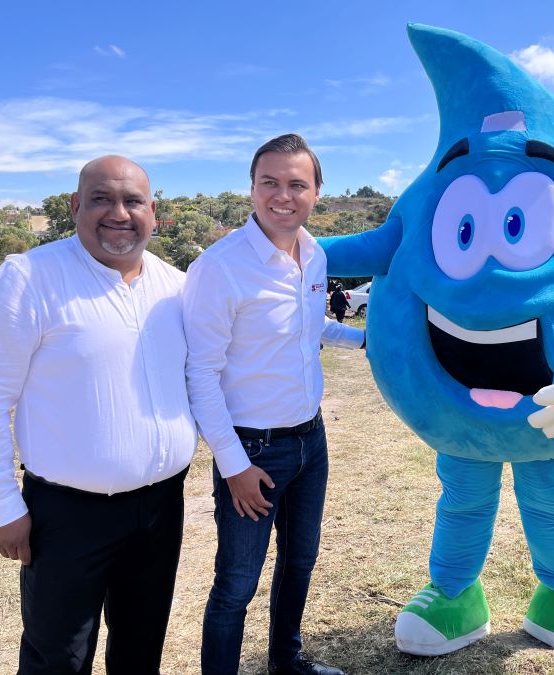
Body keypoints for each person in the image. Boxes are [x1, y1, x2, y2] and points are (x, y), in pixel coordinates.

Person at [0, 156, 198, 674]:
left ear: (154, 211)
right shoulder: (26, 280)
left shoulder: (176, 287)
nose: (119, 213)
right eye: (102, 199)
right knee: (57, 656)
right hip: (65, 516)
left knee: (141, 647)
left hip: (160, 506)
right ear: (74, 205)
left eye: (132, 201)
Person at [183, 134, 364, 675]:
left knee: (300, 563)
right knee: (236, 584)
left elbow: (306, 330)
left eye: (296, 184)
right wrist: (234, 466)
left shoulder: (315, 253)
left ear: (316, 192)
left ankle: (286, 662)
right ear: (253, 188)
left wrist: (365, 339)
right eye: (270, 183)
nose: (282, 196)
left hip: (311, 439)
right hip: (251, 451)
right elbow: (200, 374)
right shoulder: (220, 267)